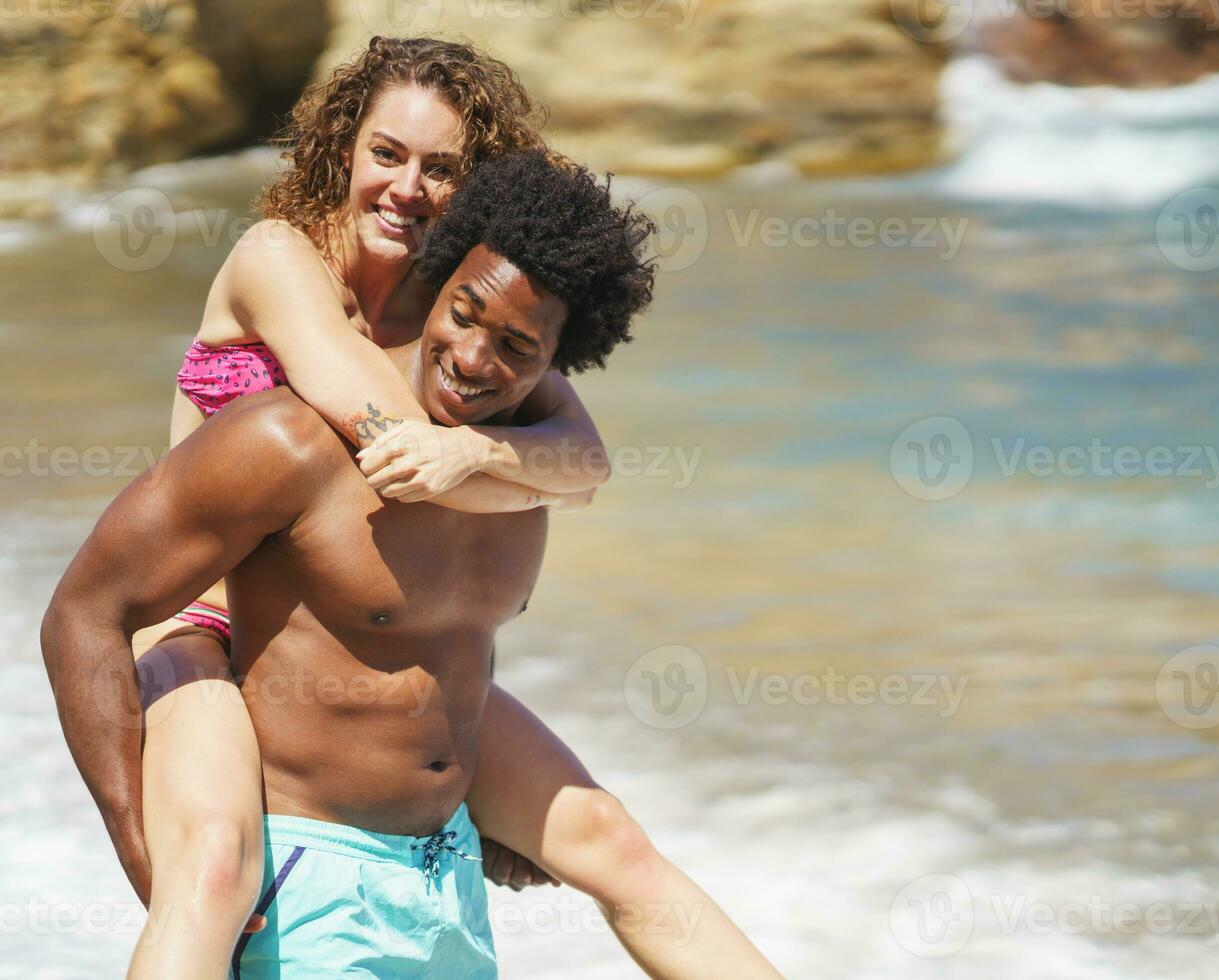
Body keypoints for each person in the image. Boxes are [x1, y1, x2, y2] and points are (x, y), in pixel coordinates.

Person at [63, 34, 780, 979]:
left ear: (472, 194)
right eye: (386, 154)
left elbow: (587, 460)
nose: (406, 186)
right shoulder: (283, 260)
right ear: (344, 152)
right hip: (199, 615)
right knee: (210, 871)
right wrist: (509, 456)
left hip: (348, 631)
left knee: (609, 839)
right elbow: (393, 440)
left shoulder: (459, 305)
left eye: (442, 169)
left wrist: (487, 449)